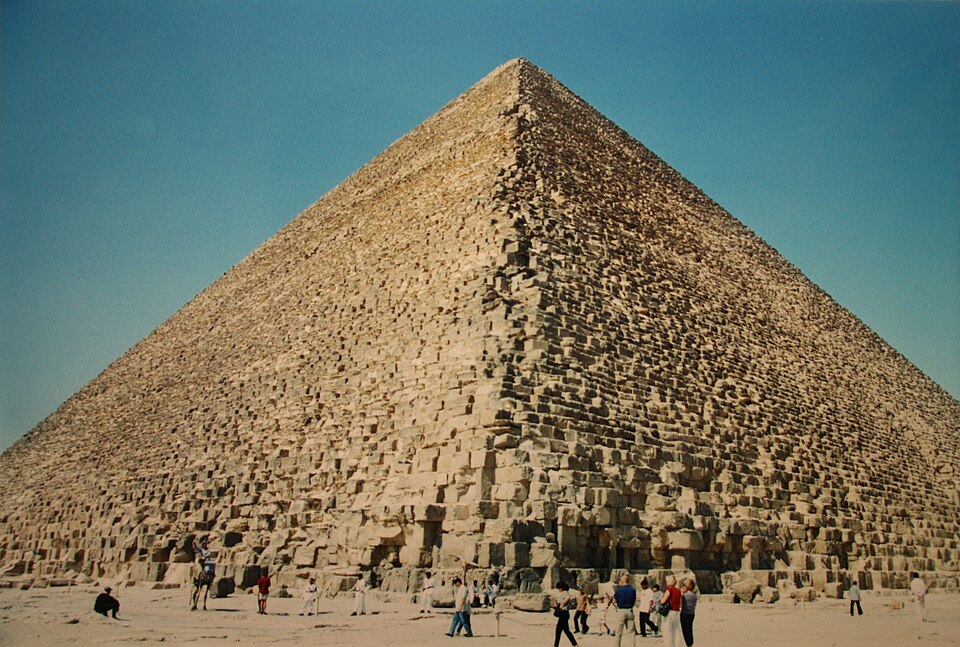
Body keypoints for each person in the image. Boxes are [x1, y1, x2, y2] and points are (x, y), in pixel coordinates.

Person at [612, 573, 636, 647]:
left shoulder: (618, 590)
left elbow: (614, 600)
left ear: (622, 581)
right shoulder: (633, 590)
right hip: (630, 610)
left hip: (621, 610)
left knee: (618, 632)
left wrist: (617, 606)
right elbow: (634, 600)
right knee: (631, 632)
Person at [552, 581, 579, 646]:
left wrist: (562, 604)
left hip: (564, 613)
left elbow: (568, 598)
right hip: (562, 614)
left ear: (561, 587)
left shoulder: (565, 593)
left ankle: (575, 644)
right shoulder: (561, 593)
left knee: (566, 631)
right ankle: (556, 645)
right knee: (558, 630)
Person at [660, 575, 683, 647]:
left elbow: (663, 601)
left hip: (669, 612)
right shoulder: (679, 591)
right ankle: (677, 645)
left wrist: (661, 597)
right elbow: (680, 603)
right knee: (676, 630)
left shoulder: (669, 590)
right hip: (677, 612)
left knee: (668, 631)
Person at [680, 579, 697, 647]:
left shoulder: (686, 595)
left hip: (685, 614)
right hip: (691, 614)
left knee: (685, 629)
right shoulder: (694, 595)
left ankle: (688, 643)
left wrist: (681, 592)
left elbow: (679, 599)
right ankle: (690, 643)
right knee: (689, 628)